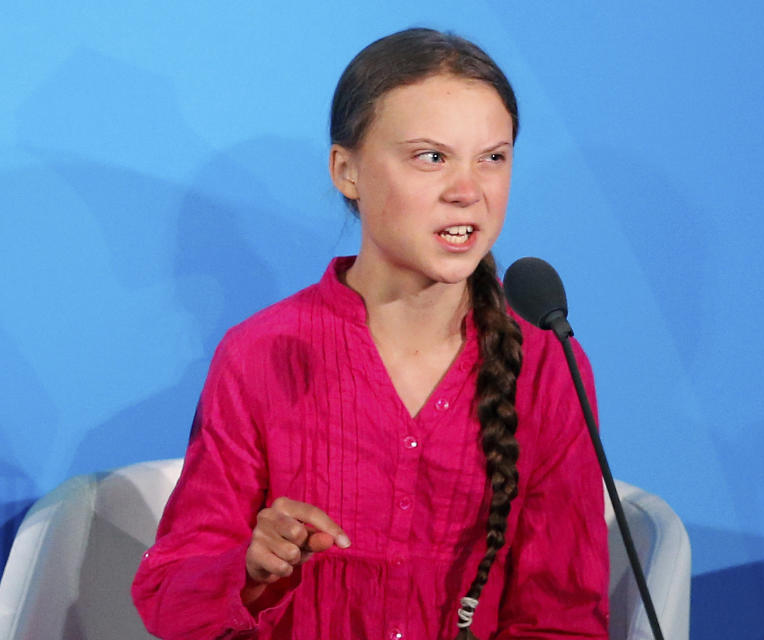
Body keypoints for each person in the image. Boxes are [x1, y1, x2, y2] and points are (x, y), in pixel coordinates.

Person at [132, 27, 609, 639]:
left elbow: (563, 619)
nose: (468, 192)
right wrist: (249, 571)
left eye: (492, 157)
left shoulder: (547, 366)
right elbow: (169, 597)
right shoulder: (259, 354)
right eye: (430, 157)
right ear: (346, 170)